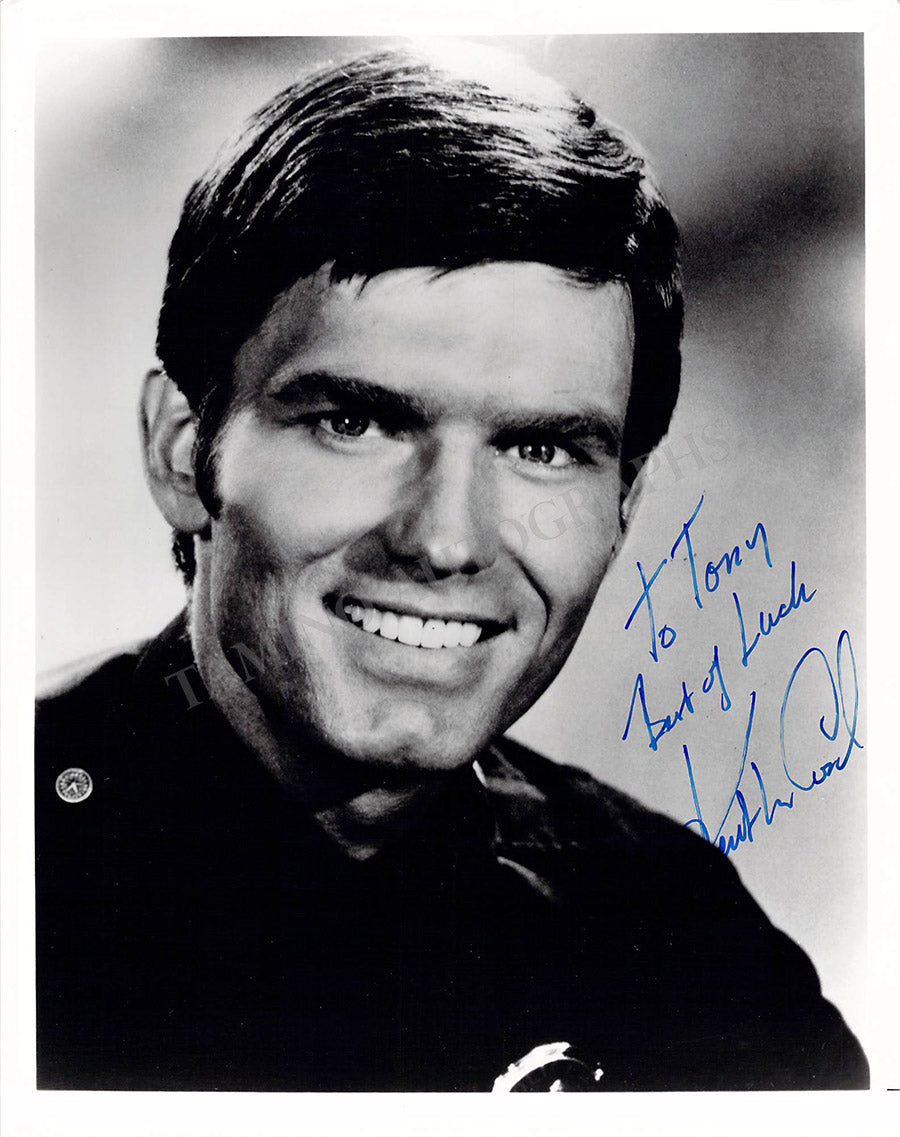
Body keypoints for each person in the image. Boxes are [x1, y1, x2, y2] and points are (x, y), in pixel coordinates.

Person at [35, 43, 867, 1092]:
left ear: (623, 504)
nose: (444, 541)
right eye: (354, 421)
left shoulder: (686, 946)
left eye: (542, 448)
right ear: (180, 451)